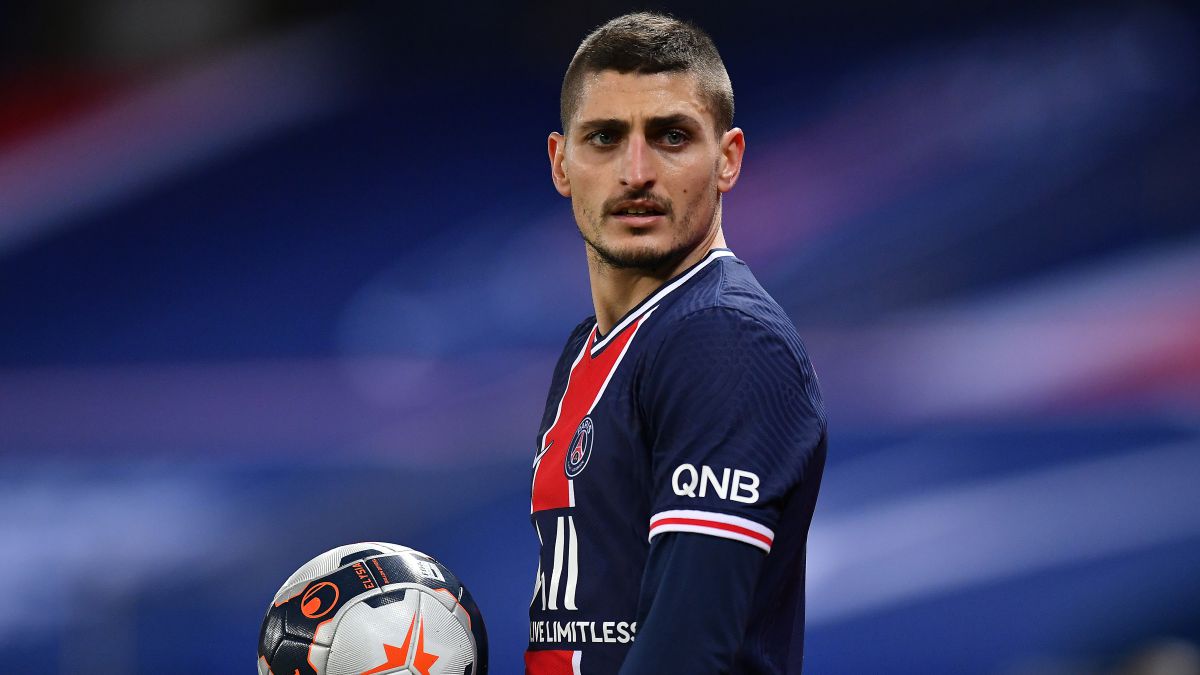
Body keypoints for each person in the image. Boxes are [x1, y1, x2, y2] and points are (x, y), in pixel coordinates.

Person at [526, 12, 826, 675]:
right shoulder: (592, 347)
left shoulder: (725, 340)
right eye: (605, 137)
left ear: (728, 159)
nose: (636, 172)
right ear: (561, 163)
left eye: (671, 137)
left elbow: (687, 653)